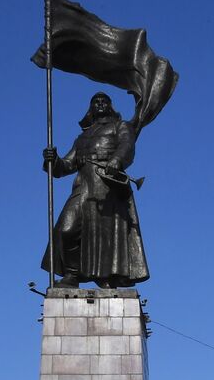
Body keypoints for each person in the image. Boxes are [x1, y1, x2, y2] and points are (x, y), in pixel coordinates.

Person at [41, 92, 150, 289]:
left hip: (108, 187)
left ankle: (106, 277)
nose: (100, 104)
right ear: (91, 108)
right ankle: (72, 274)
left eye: (104, 101)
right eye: (96, 102)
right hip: (83, 186)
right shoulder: (82, 137)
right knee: (65, 229)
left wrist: (116, 160)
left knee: (106, 234)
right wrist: (53, 160)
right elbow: (66, 165)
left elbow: (127, 146)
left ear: (110, 106)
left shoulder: (120, 126)